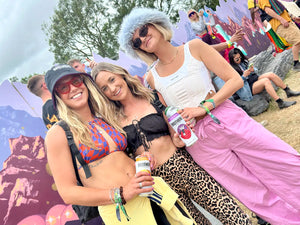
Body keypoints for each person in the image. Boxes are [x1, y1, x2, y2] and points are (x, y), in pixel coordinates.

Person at [118, 7, 300, 225]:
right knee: (251, 194)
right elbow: (170, 112)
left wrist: (205, 106)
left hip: (226, 118)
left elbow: (235, 80)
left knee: (284, 162)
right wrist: (175, 134)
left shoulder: (194, 47)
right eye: (136, 41)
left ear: (156, 25)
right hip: (199, 142)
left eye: (143, 30)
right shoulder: (151, 77)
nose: (142, 39)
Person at [91, 62, 251, 225]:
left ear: (121, 75)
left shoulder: (152, 97)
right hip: (157, 182)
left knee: (231, 214)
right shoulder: (110, 120)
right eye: (104, 88)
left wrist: (177, 138)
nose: (111, 89)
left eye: (112, 80)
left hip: (184, 166)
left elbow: (174, 131)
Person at [44, 64, 196, 225]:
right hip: (123, 211)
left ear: (84, 83)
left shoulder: (103, 117)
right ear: (57, 96)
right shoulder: (58, 133)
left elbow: (119, 159)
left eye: (76, 81)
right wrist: (120, 194)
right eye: (63, 87)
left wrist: (142, 159)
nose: (73, 89)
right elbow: (68, 192)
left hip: (152, 192)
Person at [228, 47, 300, 109]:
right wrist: (244, 76)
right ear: (232, 60)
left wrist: (253, 70)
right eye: (237, 59)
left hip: (253, 80)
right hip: (247, 88)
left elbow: (255, 71)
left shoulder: (243, 62)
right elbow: (235, 84)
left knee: (271, 74)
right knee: (265, 81)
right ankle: (280, 102)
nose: (239, 60)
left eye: (240, 57)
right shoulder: (232, 70)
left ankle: (288, 91)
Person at [258, 0, 300, 71]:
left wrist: (293, 17)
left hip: (286, 21)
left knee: (298, 40)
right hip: (280, 24)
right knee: (297, 41)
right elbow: (268, 11)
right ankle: (296, 63)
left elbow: (282, 9)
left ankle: (296, 63)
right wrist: (281, 19)